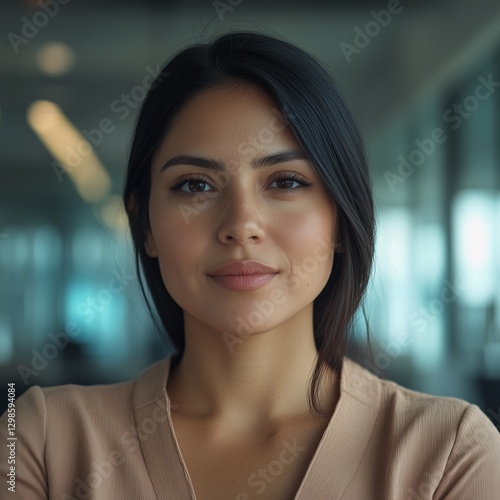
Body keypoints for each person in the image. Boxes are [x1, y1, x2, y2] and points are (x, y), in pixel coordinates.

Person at [1, 31, 500, 500]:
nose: (241, 225)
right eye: (195, 185)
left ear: (342, 220)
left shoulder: (449, 455)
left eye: (285, 181)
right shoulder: (38, 439)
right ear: (145, 224)